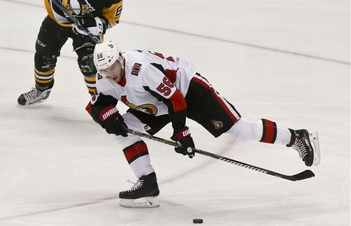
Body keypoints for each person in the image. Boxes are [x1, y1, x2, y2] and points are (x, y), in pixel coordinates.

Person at [86, 40, 321, 208]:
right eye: (104, 70)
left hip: (187, 89)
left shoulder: (141, 69)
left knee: (238, 129)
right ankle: (148, 182)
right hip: (156, 103)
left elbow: (175, 99)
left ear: (120, 59)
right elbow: (95, 106)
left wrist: (182, 133)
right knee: (125, 132)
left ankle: (297, 137)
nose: (110, 73)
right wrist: (107, 116)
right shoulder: (104, 78)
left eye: (112, 67)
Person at [16, 0, 123, 105]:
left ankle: (102, 102)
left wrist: (93, 24)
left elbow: (112, 19)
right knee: (44, 53)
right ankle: (41, 90)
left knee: (90, 62)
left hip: (85, 28)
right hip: (57, 18)